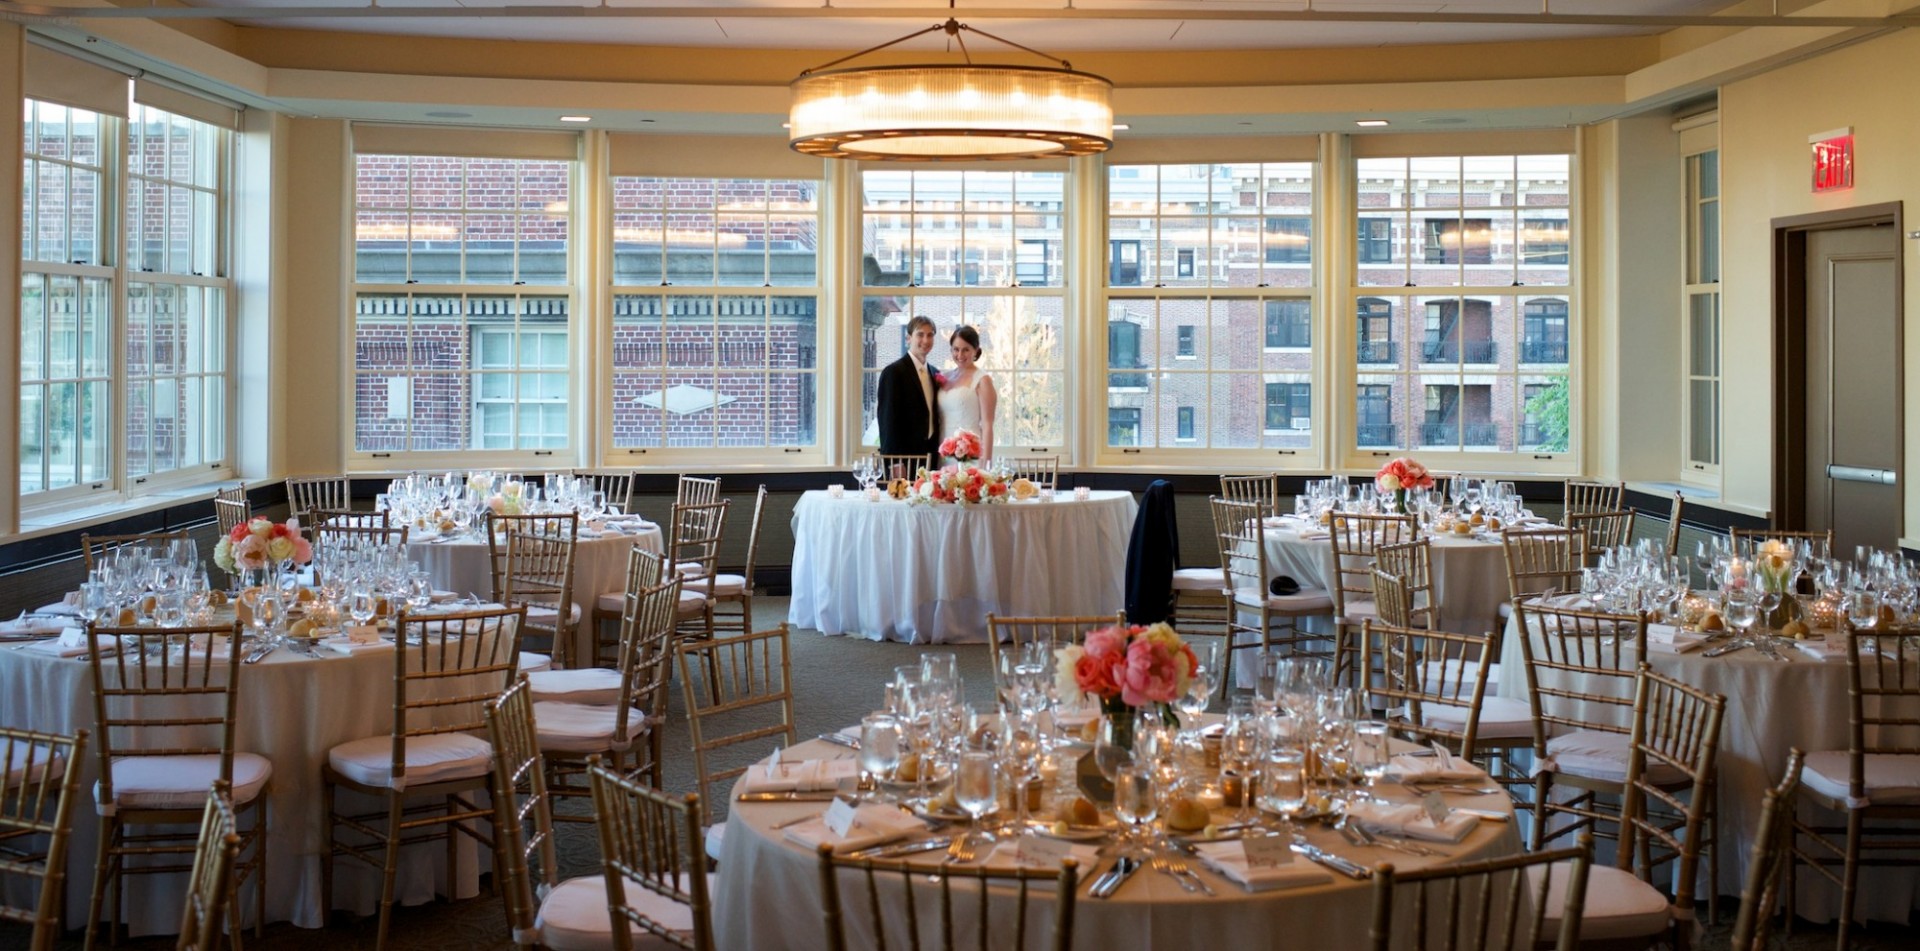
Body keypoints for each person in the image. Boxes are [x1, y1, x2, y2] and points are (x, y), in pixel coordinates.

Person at [875, 315, 941, 475]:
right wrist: (895, 463)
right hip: (904, 461)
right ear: (908, 338)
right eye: (920, 334)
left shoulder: (935, 373)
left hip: (930, 459)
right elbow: (887, 422)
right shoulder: (894, 372)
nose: (925, 340)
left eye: (930, 335)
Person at [937, 324, 997, 465]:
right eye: (956, 350)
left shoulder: (982, 380)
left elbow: (987, 425)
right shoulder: (945, 377)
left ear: (975, 351)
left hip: (970, 454)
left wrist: (985, 465)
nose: (960, 355)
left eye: (966, 350)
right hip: (944, 450)